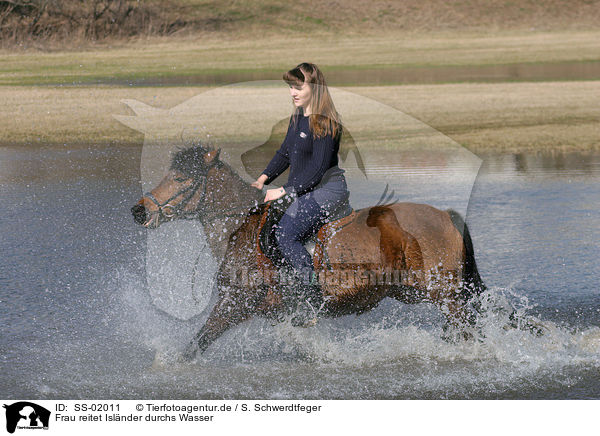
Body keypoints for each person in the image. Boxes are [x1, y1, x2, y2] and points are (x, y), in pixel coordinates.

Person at [251, 62, 351, 327]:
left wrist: (284, 190)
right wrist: (261, 180)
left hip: (327, 190)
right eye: (290, 87)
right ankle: (287, 289)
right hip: (303, 190)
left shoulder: (327, 122)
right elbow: (284, 153)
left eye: (298, 86)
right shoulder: (297, 118)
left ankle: (312, 298)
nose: (292, 92)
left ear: (314, 87)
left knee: (286, 233)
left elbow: (318, 170)